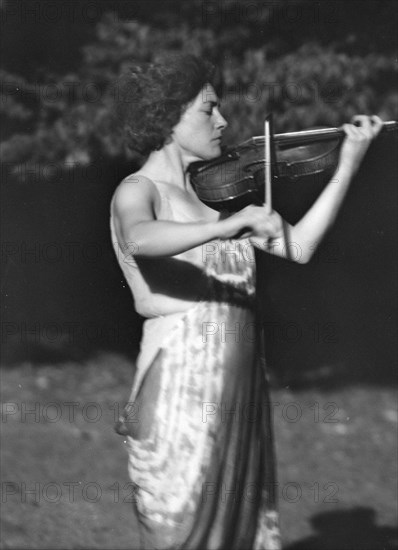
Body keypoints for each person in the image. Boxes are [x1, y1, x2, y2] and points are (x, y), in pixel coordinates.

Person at [109, 54, 382, 550]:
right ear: (167, 116)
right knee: (181, 530)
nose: (223, 122)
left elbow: (299, 247)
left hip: (238, 389)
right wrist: (227, 226)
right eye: (208, 110)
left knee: (237, 532)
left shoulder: (212, 200)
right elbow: (139, 239)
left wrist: (349, 163)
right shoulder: (138, 190)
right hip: (180, 393)